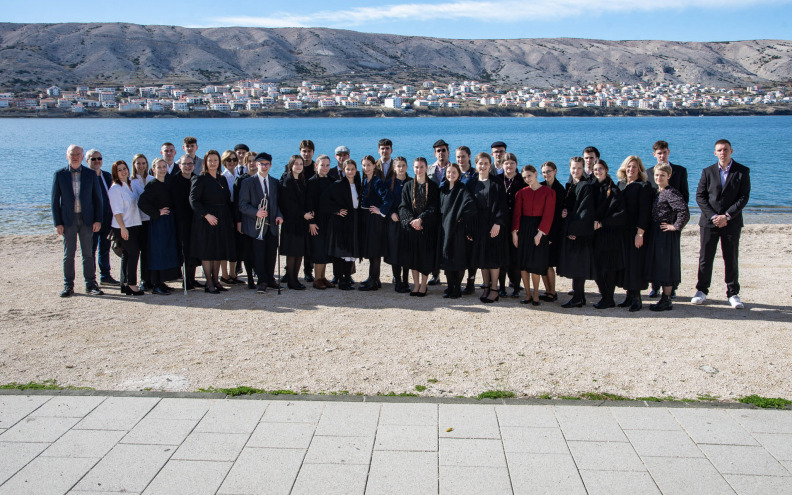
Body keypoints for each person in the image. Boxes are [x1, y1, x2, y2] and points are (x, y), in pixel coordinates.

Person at [692, 139, 751, 309]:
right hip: (709, 222)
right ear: (715, 153)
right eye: (719, 150)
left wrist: (727, 216)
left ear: (731, 151)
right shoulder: (708, 171)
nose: (722, 153)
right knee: (705, 257)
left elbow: (743, 197)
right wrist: (713, 216)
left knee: (731, 258)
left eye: (725, 149)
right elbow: (700, 197)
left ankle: (733, 293)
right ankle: (701, 290)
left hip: (731, 222)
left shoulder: (742, 171)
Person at [52, 144, 104, 297]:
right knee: (69, 254)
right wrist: (57, 223)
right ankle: (68, 285)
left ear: (82, 157)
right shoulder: (59, 175)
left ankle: (91, 284)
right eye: (72, 154)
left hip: (87, 220)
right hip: (68, 220)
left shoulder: (90, 174)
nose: (75, 157)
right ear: (67, 156)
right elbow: (55, 201)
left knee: (88, 253)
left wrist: (98, 220)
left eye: (78, 154)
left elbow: (98, 199)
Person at [646, 140, 689, 298]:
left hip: (668, 225)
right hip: (655, 226)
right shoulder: (648, 173)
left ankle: (669, 292)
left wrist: (675, 224)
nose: (662, 155)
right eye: (659, 153)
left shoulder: (679, 173)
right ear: (654, 154)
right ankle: (655, 287)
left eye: (664, 152)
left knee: (668, 260)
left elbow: (684, 203)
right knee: (656, 258)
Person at [190, 150, 237, 294]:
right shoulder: (200, 178)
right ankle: (209, 283)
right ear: (205, 162)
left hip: (222, 218)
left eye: (215, 160)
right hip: (206, 219)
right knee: (208, 252)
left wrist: (230, 219)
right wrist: (206, 215)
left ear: (219, 162)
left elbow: (227, 199)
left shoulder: (221, 178)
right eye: (210, 160)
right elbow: (193, 200)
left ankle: (216, 281)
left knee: (218, 250)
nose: (213, 163)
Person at [238, 152, 283, 293]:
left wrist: (279, 216)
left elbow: (278, 204)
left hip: (272, 226)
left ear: (270, 165)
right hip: (256, 226)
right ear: (256, 165)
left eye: (267, 164)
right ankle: (262, 281)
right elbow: (242, 205)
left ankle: (270, 279)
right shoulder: (247, 182)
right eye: (261, 164)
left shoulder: (275, 182)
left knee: (271, 254)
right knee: (258, 255)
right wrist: (256, 212)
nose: (264, 166)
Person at [467, 152, 509, 303]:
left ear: (490, 165)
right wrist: (470, 228)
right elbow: (468, 206)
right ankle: (486, 287)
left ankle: (494, 289)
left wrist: (498, 223)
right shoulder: (471, 183)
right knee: (482, 258)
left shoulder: (497, 183)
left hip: (493, 225)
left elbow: (502, 204)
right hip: (478, 226)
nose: (483, 166)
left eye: (486, 163)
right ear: (476, 165)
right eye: (480, 163)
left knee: (493, 258)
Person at [512, 165, 555, 305]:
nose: (527, 179)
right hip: (524, 229)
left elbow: (549, 214)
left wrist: (540, 233)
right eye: (524, 177)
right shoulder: (521, 193)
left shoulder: (549, 192)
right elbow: (517, 214)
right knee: (523, 264)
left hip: (539, 229)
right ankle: (528, 295)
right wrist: (514, 233)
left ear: (536, 174)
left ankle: (536, 295)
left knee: (535, 264)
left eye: (529, 176)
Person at [137, 158, 180, 295]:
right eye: (159, 167)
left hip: (168, 222)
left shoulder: (166, 183)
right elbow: (142, 202)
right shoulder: (153, 184)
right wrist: (157, 212)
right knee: (158, 251)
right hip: (159, 223)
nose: (162, 169)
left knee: (166, 250)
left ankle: (161, 281)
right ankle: (156, 284)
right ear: (153, 169)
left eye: (164, 167)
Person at [616, 156, 653, 311]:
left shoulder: (643, 186)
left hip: (636, 231)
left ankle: (637, 299)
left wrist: (640, 233)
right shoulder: (620, 184)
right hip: (622, 231)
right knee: (625, 263)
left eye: (634, 167)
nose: (631, 169)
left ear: (640, 170)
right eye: (629, 166)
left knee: (635, 264)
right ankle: (629, 296)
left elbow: (645, 212)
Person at [399, 157, 440, 296]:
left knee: (425, 257)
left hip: (426, 228)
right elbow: (403, 206)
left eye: (422, 167)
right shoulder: (408, 186)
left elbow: (434, 207)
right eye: (416, 167)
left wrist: (421, 220)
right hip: (412, 228)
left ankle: (423, 285)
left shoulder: (433, 186)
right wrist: (412, 221)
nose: (419, 169)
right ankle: (416, 284)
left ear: (426, 168)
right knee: (413, 257)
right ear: (413, 168)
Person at [558, 157, 595, 308]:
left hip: (578, 233)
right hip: (571, 229)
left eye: (579, 168)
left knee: (578, 265)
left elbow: (584, 211)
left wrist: (575, 231)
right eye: (573, 168)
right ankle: (578, 296)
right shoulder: (572, 184)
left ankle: (579, 297)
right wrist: (564, 210)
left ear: (583, 168)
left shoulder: (585, 186)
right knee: (574, 264)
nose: (576, 171)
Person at [591, 159, 627, 309]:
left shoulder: (614, 190)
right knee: (597, 268)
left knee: (608, 268)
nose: (597, 172)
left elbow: (621, 213)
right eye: (595, 169)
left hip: (610, 233)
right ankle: (605, 296)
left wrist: (602, 222)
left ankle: (608, 298)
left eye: (600, 169)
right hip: (594, 234)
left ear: (606, 169)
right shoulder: (592, 187)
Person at [438, 163, 477, 299]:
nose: (451, 175)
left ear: (459, 174)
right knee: (447, 259)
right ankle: (449, 287)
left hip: (457, 230)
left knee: (458, 259)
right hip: (444, 229)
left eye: (454, 172)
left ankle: (457, 288)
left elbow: (471, 206)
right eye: (449, 172)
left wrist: (460, 218)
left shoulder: (462, 189)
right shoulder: (443, 189)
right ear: (445, 174)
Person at [107, 160, 144, 296]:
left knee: (127, 254)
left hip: (134, 224)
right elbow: (116, 211)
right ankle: (132, 284)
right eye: (119, 170)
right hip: (123, 226)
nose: (123, 171)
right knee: (134, 253)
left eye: (124, 168)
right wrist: (122, 228)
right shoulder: (115, 189)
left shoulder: (129, 185)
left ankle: (124, 284)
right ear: (115, 173)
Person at [326, 158, 363, 290]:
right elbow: (326, 201)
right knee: (341, 251)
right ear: (343, 170)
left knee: (351, 250)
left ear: (356, 170)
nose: (350, 171)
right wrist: (337, 211)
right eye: (348, 169)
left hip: (355, 220)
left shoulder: (359, 184)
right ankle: (341, 280)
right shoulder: (337, 184)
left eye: (352, 169)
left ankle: (347, 277)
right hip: (341, 221)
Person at [359, 155, 394, 291]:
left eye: (369, 165)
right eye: (364, 165)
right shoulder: (365, 180)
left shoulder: (377, 182)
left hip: (374, 220)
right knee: (371, 249)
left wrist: (381, 211)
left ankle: (373, 281)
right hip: (367, 219)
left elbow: (388, 198)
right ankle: (374, 278)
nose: (366, 168)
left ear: (374, 166)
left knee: (374, 250)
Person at [85, 148, 118, 286]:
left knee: (105, 248)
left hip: (107, 219)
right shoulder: (85, 176)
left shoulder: (107, 176)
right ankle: (91, 278)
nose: (97, 161)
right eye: (93, 159)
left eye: (99, 158)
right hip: (91, 221)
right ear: (87, 161)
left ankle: (105, 276)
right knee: (90, 250)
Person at [169, 154, 201, 290]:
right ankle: (186, 280)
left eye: (190, 164)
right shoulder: (174, 181)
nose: (187, 166)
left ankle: (192, 279)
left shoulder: (196, 179)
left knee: (194, 249)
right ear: (179, 165)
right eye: (185, 164)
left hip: (195, 220)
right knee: (184, 250)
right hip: (180, 221)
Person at [279, 155, 311, 290]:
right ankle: (291, 280)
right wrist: (303, 214)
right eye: (296, 164)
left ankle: (295, 279)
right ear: (291, 165)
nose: (299, 166)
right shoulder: (288, 181)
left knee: (299, 251)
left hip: (301, 222)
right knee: (292, 252)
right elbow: (289, 203)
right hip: (291, 221)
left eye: (301, 164)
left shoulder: (301, 180)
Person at [497, 153, 526, 297]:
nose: (509, 166)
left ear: (516, 164)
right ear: (502, 165)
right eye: (506, 163)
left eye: (512, 163)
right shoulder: (497, 180)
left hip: (518, 223)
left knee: (516, 257)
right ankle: (501, 287)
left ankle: (516, 287)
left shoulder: (522, 180)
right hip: (501, 223)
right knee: (502, 256)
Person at [305, 154, 335, 289]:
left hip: (329, 221)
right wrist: (311, 222)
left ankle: (323, 277)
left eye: (327, 165)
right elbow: (308, 203)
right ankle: (317, 279)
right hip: (316, 221)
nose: (325, 168)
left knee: (326, 249)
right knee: (319, 249)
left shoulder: (332, 180)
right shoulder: (311, 182)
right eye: (322, 165)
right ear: (316, 166)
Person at [384, 157, 412, 293]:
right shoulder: (389, 183)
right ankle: (397, 280)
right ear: (394, 168)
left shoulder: (412, 182)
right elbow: (384, 202)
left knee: (406, 251)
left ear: (407, 166)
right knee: (395, 251)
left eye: (403, 165)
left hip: (408, 222)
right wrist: (391, 214)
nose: (401, 168)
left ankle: (406, 281)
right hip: (394, 222)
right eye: (398, 166)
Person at [539, 161, 565, 302]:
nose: (546, 174)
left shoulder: (559, 189)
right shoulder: (541, 186)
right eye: (544, 172)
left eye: (549, 171)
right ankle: (547, 290)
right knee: (542, 263)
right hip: (541, 230)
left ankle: (552, 292)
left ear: (555, 171)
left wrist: (551, 237)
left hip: (552, 232)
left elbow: (557, 217)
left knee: (548, 264)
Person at [426, 139, 451, 285]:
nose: (441, 153)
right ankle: (435, 274)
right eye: (438, 151)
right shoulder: (429, 169)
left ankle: (449, 274)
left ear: (448, 152)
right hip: (433, 212)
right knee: (433, 243)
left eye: (443, 150)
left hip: (449, 211)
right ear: (434, 153)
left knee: (448, 243)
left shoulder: (454, 168)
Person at [233, 151, 258, 289]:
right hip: (245, 219)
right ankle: (250, 278)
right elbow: (237, 203)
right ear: (245, 163)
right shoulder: (240, 180)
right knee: (247, 250)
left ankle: (259, 274)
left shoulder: (263, 178)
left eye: (255, 160)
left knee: (258, 249)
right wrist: (238, 222)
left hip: (260, 220)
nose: (252, 163)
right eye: (249, 161)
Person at [455, 145, 478, 295]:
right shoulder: (453, 172)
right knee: (459, 251)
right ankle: (457, 282)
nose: (460, 159)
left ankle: (471, 282)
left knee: (471, 251)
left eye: (463, 156)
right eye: (458, 157)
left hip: (472, 217)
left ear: (469, 157)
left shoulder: (475, 174)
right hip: (457, 219)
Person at [130, 154, 153, 291]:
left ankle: (150, 279)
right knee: (139, 251)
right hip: (137, 220)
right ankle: (142, 279)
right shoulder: (131, 181)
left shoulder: (151, 179)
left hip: (151, 219)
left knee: (149, 251)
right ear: (134, 165)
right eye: (138, 163)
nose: (141, 166)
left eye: (143, 163)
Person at [219, 150, 242, 285]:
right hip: (226, 211)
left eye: (234, 159)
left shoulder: (239, 175)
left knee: (235, 244)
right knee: (225, 244)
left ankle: (233, 274)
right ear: (224, 162)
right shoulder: (222, 177)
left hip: (237, 211)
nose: (232, 162)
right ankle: (224, 274)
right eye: (229, 160)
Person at [297, 140, 316, 282]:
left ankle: (308, 270)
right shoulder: (294, 166)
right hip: (297, 210)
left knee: (310, 243)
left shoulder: (315, 168)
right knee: (296, 242)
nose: (306, 154)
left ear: (313, 152)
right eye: (304, 151)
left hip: (311, 210)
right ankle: (290, 270)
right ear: (300, 152)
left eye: (309, 151)